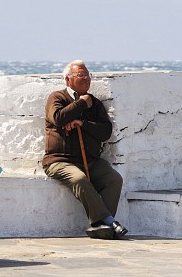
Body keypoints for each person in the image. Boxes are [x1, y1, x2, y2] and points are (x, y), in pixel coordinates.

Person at [43, 60, 126, 240]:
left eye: (88, 75)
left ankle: (100, 226)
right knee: (79, 179)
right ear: (68, 79)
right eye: (81, 75)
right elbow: (58, 118)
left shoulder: (94, 103)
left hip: (89, 160)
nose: (86, 79)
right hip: (60, 160)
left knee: (114, 179)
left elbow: (105, 131)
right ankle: (108, 220)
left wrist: (83, 123)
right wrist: (81, 104)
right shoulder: (57, 97)